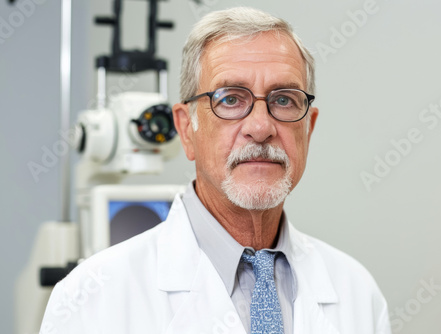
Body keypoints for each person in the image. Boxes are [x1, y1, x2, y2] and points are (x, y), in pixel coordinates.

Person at [40, 7, 391, 334]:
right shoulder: (93, 297)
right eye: (230, 99)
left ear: (308, 129)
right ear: (185, 128)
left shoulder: (357, 291)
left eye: (283, 99)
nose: (260, 126)